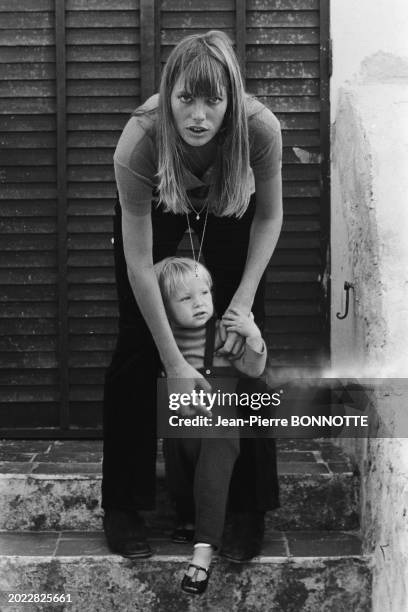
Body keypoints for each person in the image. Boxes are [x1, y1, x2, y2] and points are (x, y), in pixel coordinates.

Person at [102, 29, 282, 562]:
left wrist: (243, 303)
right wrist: (174, 359)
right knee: (138, 343)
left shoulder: (259, 129)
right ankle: (123, 505)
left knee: (242, 344)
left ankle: (248, 507)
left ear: (232, 99)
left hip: (232, 202)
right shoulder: (139, 141)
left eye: (213, 100)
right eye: (185, 99)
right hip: (161, 195)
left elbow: (270, 216)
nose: (199, 115)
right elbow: (140, 264)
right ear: (168, 95)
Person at [155, 257, 267, 594]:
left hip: (220, 425)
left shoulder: (221, 331)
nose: (200, 303)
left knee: (215, 456)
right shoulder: (163, 338)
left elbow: (253, 369)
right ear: (162, 307)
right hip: (181, 425)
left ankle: (202, 555)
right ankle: (188, 516)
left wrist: (254, 337)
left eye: (204, 293)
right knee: (179, 467)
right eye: (185, 299)